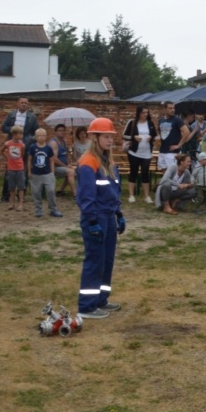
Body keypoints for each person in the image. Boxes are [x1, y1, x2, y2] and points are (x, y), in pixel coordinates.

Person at [75, 117, 126, 319]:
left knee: (107, 260)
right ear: (94, 138)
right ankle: (86, 307)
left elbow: (114, 191)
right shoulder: (88, 162)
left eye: (111, 136)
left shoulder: (109, 163)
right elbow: (86, 197)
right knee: (95, 261)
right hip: (95, 218)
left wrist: (119, 214)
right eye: (106, 136)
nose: (110, 140)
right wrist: (93, 222)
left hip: (109, 216)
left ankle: (101, 299)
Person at [0, 97, 39, 202]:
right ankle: (6, 194)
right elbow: (3, 127)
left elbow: (36, 131)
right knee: (9, 170)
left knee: (23, 170)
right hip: (12, 145)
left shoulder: (32, 117)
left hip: (25, 145)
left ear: (28, 105)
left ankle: (21, 195)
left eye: (25, 103)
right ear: (17, 104)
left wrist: (30, 140)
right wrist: (15, 129)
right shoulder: (11, 115)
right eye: (21, 102)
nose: (23, 104)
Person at [122, 105, 156, 204]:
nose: (145, 114)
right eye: (143, 112)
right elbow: (124, 135)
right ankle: (131, 195)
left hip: (147, 153)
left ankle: (147, 196)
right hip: (134, 152)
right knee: (133, 172)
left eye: (146, 112)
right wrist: (134, 138)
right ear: (139, 113)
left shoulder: (150, 123)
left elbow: (155, 135)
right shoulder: (132, 123)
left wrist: (151, 137)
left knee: (145, 174)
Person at [28, 127, 62, 218]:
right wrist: (29, 171)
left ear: (46, 136)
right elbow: (29, 160)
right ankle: (38, 209)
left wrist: (52, 172)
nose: (41, 137)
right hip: (36, 174)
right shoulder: (33, 147)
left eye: (43, 135)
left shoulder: (48, 148)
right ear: (35, 137)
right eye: (39, 136)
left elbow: (51, 160)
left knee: (50, 191)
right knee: (36, 192)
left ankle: (53, 209)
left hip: (47, 173)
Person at [157, 101, 191, 171]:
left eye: (173, 108)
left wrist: (179, 145)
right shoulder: (161, 120)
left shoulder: (177, 120)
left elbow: (186, 132)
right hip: (163, 150)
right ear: (165, 109)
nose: (172, 110)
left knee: (172, 172)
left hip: (172, 152)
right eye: (170, 108)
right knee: (164, 171)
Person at [2, 125, 27, 211]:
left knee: (21, 187)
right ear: (14, 134)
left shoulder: (22, 145)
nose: (21, 136)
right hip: (11, 168)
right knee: (11, 187)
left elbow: (22, 155)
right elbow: (2, 151)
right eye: (20, 134)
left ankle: (20, 203)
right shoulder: (8, 143)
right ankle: (11, 202)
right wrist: (7, 157)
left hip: (19, 167)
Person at [51, 124, 75, 196]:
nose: (62, 132)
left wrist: (68, 164)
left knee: (78, 169)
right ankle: (75, 194)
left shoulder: (64, 142)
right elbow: (54, 159)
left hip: (63, 166)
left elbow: (66, 155)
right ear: (55, 132)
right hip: (54, 167)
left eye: (63, 130)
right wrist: (65, 166)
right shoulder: (54, 143)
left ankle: (60, 190)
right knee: (70, 172)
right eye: (60, 130)